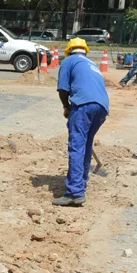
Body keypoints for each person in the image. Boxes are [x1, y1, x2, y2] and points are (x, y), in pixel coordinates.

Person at [54, 37, 110, 207]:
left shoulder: (69, 61)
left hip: (84, 105)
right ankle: (81, 182)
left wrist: (66, 107)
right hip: (102, 107)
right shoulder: (91, 64)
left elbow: (63, 88)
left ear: (69, 50)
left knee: (76, 146)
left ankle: (75, 193)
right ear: (85, 50)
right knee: (85, 144)